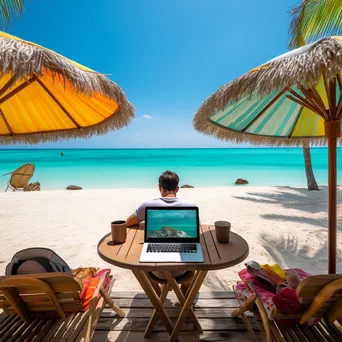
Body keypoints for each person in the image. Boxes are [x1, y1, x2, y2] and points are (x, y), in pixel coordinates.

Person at [126, 170, 194, 295]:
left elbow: (128, 222)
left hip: (155, 269)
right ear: (177, 189)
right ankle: (185, 287)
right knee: (197, 258)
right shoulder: (190, 205)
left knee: (140, 262)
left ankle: (157, 293)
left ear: (159, 187)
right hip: (183, 270)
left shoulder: (147, 205)